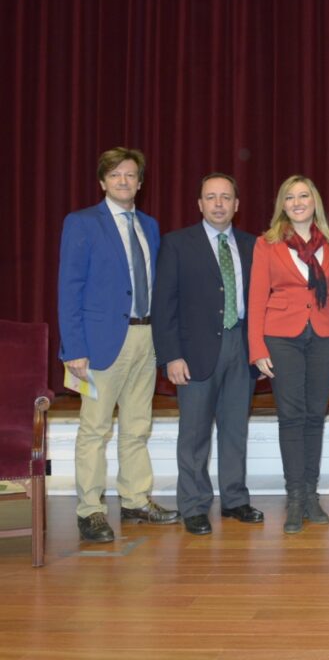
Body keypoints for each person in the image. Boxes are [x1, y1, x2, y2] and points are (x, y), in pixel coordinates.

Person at [58, 147, 180, 543]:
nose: (123, 181)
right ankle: (90, 510)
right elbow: (69, 288)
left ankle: (135, 500)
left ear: (140, 183)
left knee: (137, 426)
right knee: (94, 429)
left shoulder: (149, 225)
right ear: (102, 182)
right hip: (100, 343)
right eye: (115, 175)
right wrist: (73, 347)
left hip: (146, 337)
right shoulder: (81, 223)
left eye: (130, 175)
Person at [151, 173, 263, 536]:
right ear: (199, 204)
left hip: (241, 348)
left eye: (225, 197)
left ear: (236, 205)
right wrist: (171, 356)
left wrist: (260, 351)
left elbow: (263, 302)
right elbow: (164, 305)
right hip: (194, 352)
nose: (218, 204)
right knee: (194, 434)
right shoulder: (177, 244)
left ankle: (235, 499)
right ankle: (195, 505)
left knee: (235, 431)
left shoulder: (252, 245)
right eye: (211, 197)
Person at [248, 175, 329, 534]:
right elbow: (257, 297)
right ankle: (295, 497)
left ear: (315, 201)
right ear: (282, 205)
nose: (298, 202)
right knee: (291, 417)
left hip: (325, 335)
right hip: (281, 337)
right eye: (290, 197)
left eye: (304, 196)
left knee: (315, 416)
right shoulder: (267, 244)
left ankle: (311, 495)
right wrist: (257, 348)